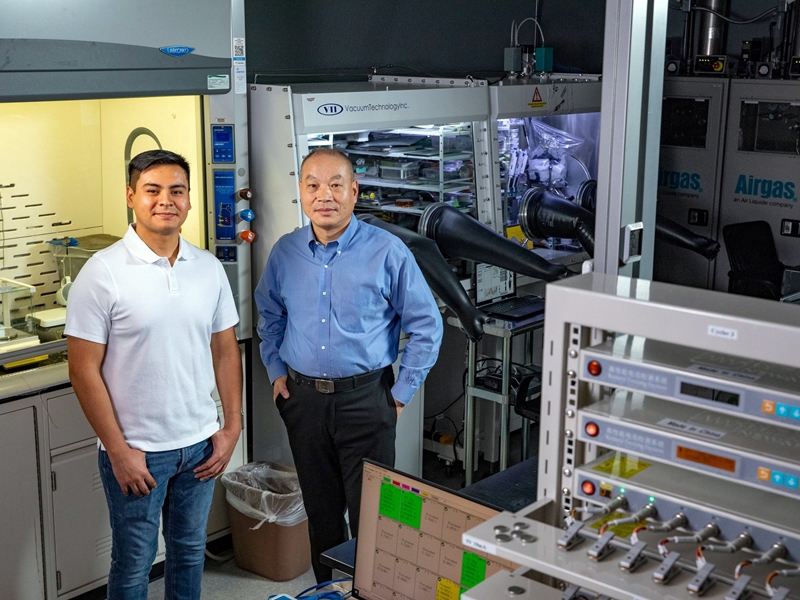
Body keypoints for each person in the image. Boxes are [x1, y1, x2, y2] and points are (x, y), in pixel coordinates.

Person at [255, 148, 443, 582]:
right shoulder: (285, 253)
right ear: (301, 192)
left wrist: (399, 396)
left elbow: (427, 326)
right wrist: (276, 373)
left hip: (367, 401)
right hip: (303, 402)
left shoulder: (388, 252)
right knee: (321, 515)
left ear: (354, 190)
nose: (325, 195)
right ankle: (329, 592)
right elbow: (269, 316)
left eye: (336, 184)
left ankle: (372, 593)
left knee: (374, 519)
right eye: (313, 185)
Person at [65, 149, 242, 600]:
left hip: (200, 444)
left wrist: (230, 427)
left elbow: (225, 351)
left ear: (188, 200)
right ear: (131, 197)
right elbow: (83, 370)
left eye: (177, 191)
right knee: (134, 562)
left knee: (188, 554)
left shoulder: (207, 269)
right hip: (139, 450)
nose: (167, 200)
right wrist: (119, 450)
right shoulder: (102, 273)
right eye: (153, 190)